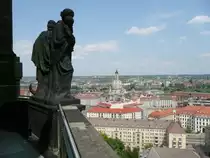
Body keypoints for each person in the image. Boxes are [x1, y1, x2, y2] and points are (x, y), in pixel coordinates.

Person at [49, 9, 75, 104]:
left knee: (68, 72)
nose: (71, 18)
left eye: (72, 16)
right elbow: (56, 41)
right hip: (59, 55)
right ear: (64, 17)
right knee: (66, 71)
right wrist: (67, 39)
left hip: (65, 54)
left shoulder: (68, 26)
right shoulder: (59, 26)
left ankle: (65, 93)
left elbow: (71, 39)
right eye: (69, 16)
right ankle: (61, 93)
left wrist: (70, 39)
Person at [30, 20, 56, 99]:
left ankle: (40, 93)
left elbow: (35, 49)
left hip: (41, 65)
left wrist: (40, 60)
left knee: (41, 81)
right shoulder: (55, 36)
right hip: (51, 65)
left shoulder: (41, 35)